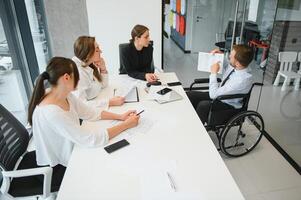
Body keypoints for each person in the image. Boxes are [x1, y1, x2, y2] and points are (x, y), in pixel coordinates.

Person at [27, 57, 140, 188]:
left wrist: (120, 117)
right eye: (77, 75)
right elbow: (90, 139)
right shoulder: (52, 113)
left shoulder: (61, 93)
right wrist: (126, 125)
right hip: (57, 167)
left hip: (69, 150)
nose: (79, 80)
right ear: (66, 78)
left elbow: (89, 112)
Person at [187, 44, 254, 124]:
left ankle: (197, 130)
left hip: (228, 105)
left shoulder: (241, 80)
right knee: (190, 95)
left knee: (203, 106)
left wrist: (213, 73)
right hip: (220, 96)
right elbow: (228, 66)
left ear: (238, 64)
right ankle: (191, 122)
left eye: (231, 56)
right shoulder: (239, 67)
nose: (229, 56)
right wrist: (221, 56)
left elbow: (213, 94)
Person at [73, 36, 124, 108]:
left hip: (98, 100)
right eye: (97, 50)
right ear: (88, 54)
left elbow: (103, 85)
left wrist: (103, 68)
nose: (101, 51)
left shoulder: (88, 64)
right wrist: (110, 102)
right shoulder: (79, 73)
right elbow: (82, 105)